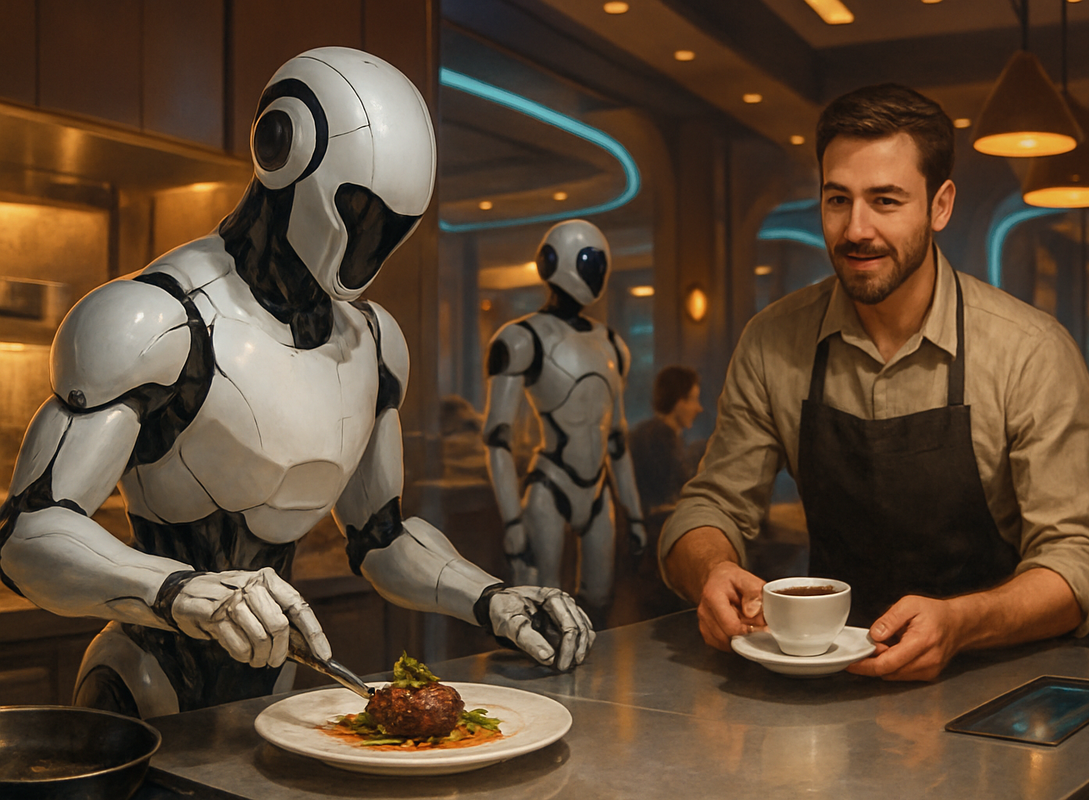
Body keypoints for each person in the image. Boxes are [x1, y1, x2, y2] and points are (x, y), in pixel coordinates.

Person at [0, 48, 593, 720]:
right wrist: (176, 589)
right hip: (144, 682)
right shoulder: (156, 319)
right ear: (286, 151)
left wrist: (489, 598)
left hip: (275, 688)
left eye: (392, 225)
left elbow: (382, 539)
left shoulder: (373, 342)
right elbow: (27, 536)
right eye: (361, 208)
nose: (370, 239)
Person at [658, 83, 1089, 681]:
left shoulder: (1028, 351)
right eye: (837, 200)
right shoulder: (773, 341)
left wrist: (962, 623)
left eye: (885, 200)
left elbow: (1085, 559)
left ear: (940, 205)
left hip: (999, 685)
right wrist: (711, 569)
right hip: (830, 681)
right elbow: (709, 504)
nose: (856, 229)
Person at [481, 219, 647, 627]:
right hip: (550, 484)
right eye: (588, 261)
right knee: (545, 607)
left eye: (598, 262)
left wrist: (636, 513)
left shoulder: (611, 344)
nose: (595, 272)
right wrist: (512, 520)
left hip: (597, 489)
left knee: (600, 602)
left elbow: (617, 438)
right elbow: (497, 439)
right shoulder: (521, 339)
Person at [628, 366, 704, 514]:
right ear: (678, 401)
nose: (699, 408)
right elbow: (666, 501)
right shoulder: (659, 440)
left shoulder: (655, 434)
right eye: (693, 399)